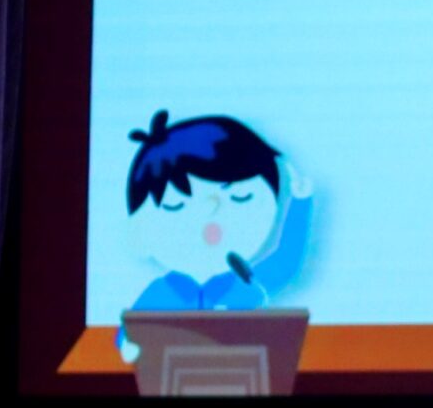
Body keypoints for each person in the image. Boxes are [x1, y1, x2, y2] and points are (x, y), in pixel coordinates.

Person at [117, 110, 313, 362]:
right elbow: (129, 329)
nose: (211, 210)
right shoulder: (161, 293)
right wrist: (128, 346)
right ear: (140, 231)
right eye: (175, 206)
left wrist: (300, 203)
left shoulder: (249, 286)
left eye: (240, 196)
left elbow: (286, 261)